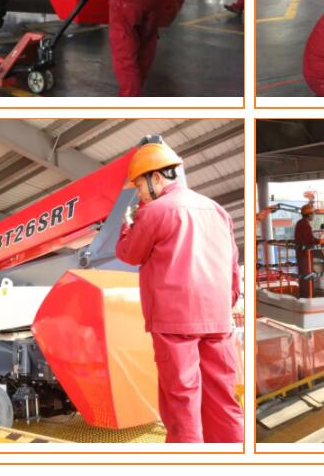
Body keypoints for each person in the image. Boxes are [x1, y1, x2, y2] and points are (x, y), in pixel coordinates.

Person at [115, 139, 243, 443]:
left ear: (156, 177)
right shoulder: (217, 211)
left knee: (182, 402)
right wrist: (225, 305)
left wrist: (125, 225)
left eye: (140, 186)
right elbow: (233, 267)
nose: (139, 194)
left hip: (174, 323)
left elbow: (130, 254)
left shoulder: (154, 211)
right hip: (218, 320)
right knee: (223, 400)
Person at [294, 203, 319, 298]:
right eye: (313, 213)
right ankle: (308, 296)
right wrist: (320, 241)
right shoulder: (305, 225)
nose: (314, 215)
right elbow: (309, 240)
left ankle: (305, 295)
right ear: (309, 214)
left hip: (301, 254)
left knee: (304, 276)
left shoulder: (300, 223)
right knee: (307, 275)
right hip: (305, 255)